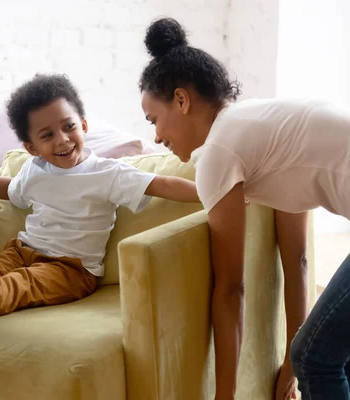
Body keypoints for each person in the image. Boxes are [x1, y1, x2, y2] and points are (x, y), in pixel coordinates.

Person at [0, 73, 200, 339]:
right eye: (47, 135)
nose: (63, 140)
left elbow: (162, 184)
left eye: (69, 127)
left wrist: (209, 192)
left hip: (70, 270)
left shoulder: (108, 173)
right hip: (21, 251)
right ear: (31, 147)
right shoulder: (35, 170)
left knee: (17, 286)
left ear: (83, 125)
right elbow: (10, 189)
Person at [139, 17, 350, 400]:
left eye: (154, 119)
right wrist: (287, 363)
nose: (155, 136)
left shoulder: (219, 151)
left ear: (182, 100)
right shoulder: (259, 122)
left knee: (316, 358)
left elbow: (230, 290)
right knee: (333, 355)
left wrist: (226, 395)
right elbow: (297, 259)